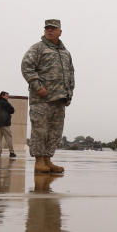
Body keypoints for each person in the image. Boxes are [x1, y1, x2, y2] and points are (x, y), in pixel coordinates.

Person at [21, 19, 74, 174]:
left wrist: (69, 93)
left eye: (53, 29)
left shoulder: (65, 53)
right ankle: (39, 161)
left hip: (60, 99)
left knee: (55, 131)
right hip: (42, 98)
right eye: (47, 29)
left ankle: (48, 159)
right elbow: (26, 66)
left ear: (60, 32)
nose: (49, 31)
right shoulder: (38, 48)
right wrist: (37, 86)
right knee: (40, 130)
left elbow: (70, 74)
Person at [0, 91, 17, 158]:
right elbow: (12, 110)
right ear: (2, 96)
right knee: (9, 138)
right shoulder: (6, 103)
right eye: (6, 96)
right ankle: (11, 152)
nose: (7, 97)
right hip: (5, 123)